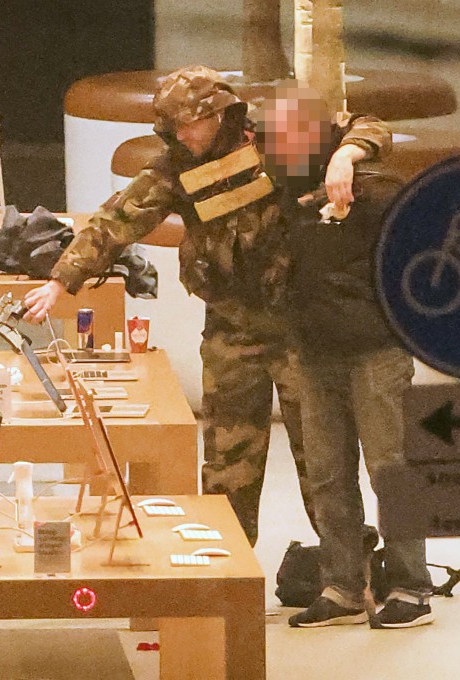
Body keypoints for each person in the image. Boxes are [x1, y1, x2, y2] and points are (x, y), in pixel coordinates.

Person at [23, 65, 391, 545]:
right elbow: (116, 221)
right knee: (227, 466)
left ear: (219, 114)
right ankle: (225, 574)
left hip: (301, 324)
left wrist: (345, 154)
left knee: (323, 460)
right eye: (172, 128)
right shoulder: (176, 167)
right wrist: (60, 281)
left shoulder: (277, 133)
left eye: (188, 124)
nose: (181, 135)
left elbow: (369, 125)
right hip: (232, 327)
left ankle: (345, 574)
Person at [256, 90, 435, 629]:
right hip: (313, 351)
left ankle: (410, 586)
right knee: (327, 475)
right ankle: (342, 584)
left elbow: (416, 271)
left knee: (390, 468)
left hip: (376, 351)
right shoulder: (288, 202)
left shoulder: (377, 192)